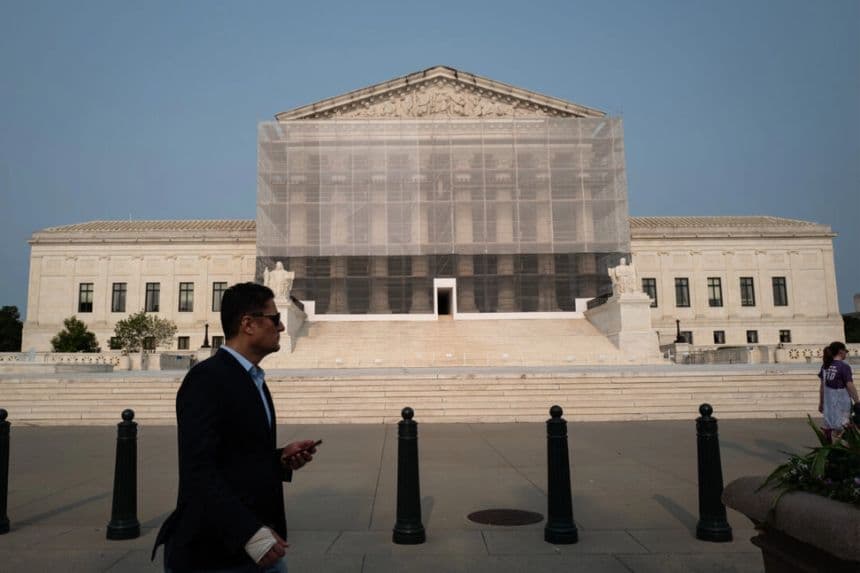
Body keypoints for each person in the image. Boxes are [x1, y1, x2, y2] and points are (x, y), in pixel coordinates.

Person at [152, 282, 318, 572]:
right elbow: (199, 471)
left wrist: (279, 459)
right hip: (215, 552)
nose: (281, 327)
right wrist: (250, 535)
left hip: (254, 541)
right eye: (275, 319)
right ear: (248, 324)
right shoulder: (206, 380)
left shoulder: (253, 379)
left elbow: (235, 457)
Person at [817, 341, 858, 442]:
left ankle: (830, 444)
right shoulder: (843, 366)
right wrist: (857, 401)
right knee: (844, 427)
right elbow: (849, 385)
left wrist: (821, 402)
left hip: (829, 403)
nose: (846, 354)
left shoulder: (825, 366)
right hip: (841, 402)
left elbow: (822, 387)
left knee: (831, 426)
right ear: (840, 352)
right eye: (845, 351)